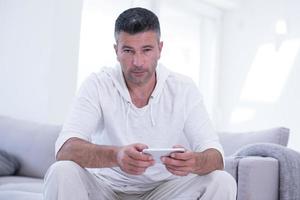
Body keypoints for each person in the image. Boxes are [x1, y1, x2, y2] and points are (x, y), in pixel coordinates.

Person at [44, 7, 237, 200]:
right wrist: (116, 156)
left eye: (146, 50)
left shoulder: (183, 88)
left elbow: (215, 156)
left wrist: (195, 161)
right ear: (116, 51)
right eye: (128, 51)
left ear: (160, 49)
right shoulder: (98, 84)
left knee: (222, 181)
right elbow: (65, 149)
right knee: (61, 170)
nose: (137, 62)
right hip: (105, 189)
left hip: (163, 191)